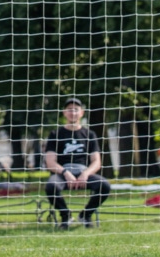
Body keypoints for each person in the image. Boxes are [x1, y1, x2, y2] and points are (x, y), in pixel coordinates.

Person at [45, 97, 112, 229]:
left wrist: (85, 174)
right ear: (64, 112)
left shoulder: (89, 134)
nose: (73, 112)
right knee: (51, 186)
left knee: (104, 185)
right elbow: (50, 162)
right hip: (63, 173)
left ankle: (85, 215)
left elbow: (96, 161)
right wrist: (65, 173)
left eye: (76, 109)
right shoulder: (55, 134)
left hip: (83, 173)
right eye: (69, 109)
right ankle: (66, 216)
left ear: (82, 112)